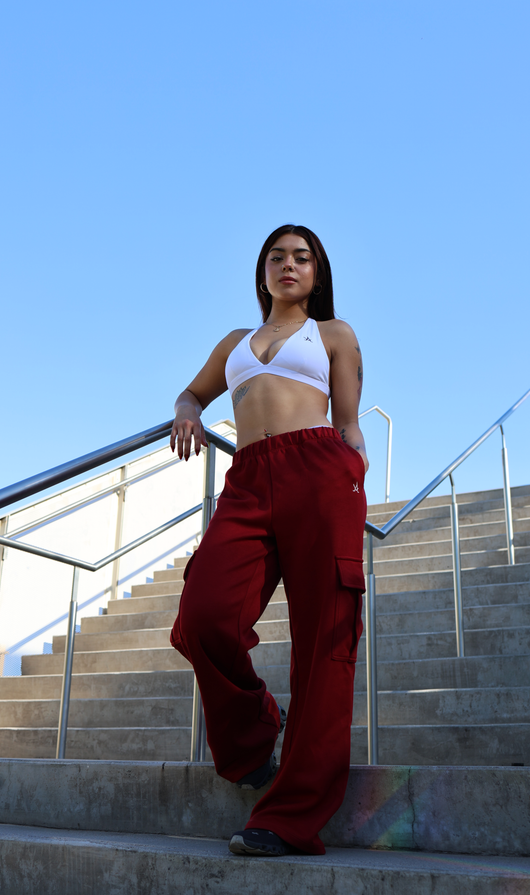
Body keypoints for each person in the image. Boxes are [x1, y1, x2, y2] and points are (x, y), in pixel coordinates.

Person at [169, 224, 368, 857]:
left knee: (323, 641)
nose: (289, 265)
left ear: (317, 273)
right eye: (277, 257)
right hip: (250, 481)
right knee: (204, 615)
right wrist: (187, 411)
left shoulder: (332, 335)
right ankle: (255, 736)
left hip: (318, 475)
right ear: (262, 273)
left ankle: (290, 817)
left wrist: (352, 475)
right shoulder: (235, 343)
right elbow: (193, 392)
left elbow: (349, 423)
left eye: (301, 257)